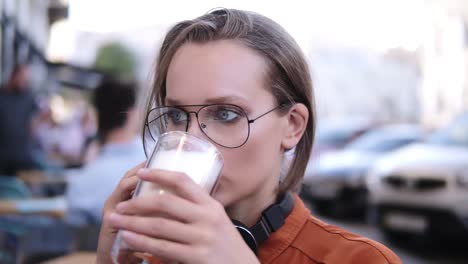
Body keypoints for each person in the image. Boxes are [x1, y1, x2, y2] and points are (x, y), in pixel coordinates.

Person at [96, 9, 402, 264]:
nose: (190, 140)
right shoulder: (152, 249)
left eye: (225, 114)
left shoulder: (359, 259)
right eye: (176, 116)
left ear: (292, 126)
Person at [65, 78, 145, 226]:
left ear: (97, 116)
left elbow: (75, 232)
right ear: (131, 114)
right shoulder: (156, 161)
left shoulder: (81, 183)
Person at [0, 64, 41, 176]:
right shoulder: (2, 95)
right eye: (22, 77)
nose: (24, 81)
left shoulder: (29, 96)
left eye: (26, 79)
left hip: (22, 157)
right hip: (3, 157)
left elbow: (36, 120)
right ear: (14, 75)